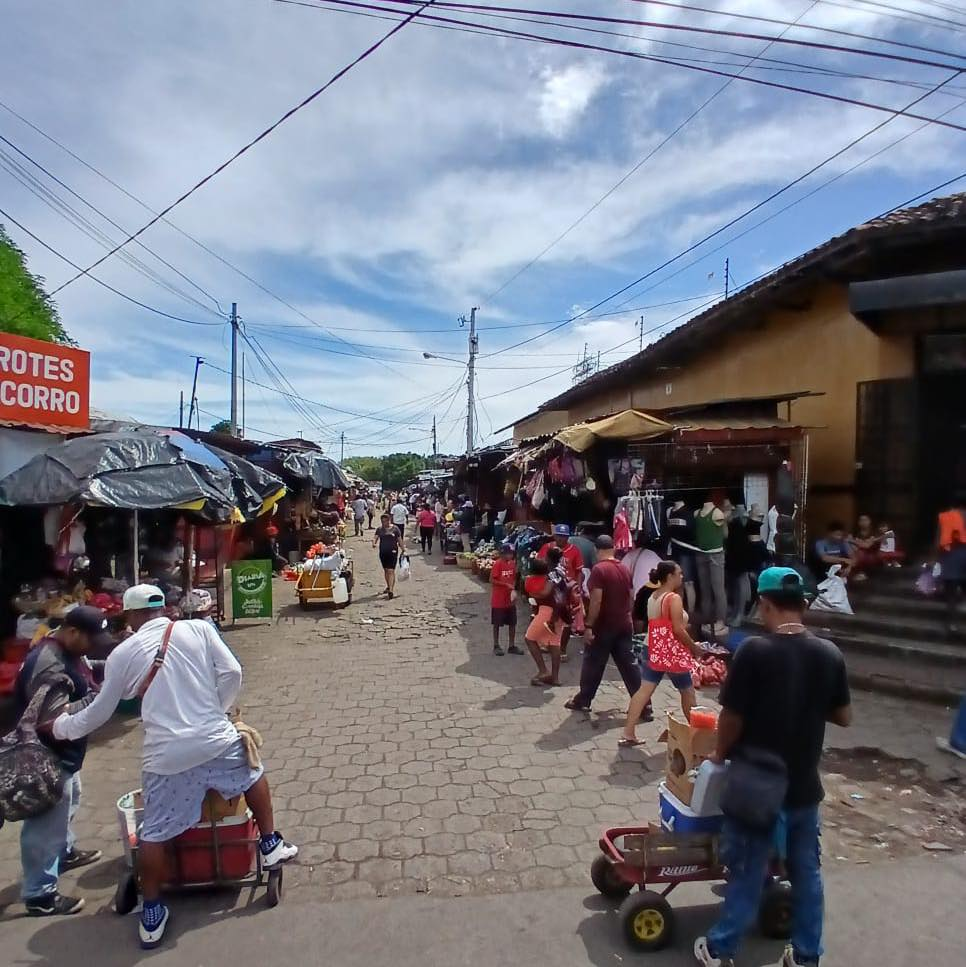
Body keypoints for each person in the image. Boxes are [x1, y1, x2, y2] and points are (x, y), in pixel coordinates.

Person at [51, 587, 297, 948]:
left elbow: (101, 710)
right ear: (163, 608)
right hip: (215, 740)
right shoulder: (199, 629)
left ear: (130, 615)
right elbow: (232, 672)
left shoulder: (123, 654)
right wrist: (218, 711)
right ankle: (270, 844)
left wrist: (62, 728)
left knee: (153, 832)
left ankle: (152, 912)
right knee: (252, 773)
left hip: (166, 758)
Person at [693, 567, 851, 967]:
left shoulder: (754, 652)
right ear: (803, 605)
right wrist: (805, 702)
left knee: (748, 872)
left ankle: (720, 950)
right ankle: (806, 956)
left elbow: (731, 717)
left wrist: (718, 754)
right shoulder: (829, 653)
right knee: (807, 875)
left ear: (764, 604)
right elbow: (844, 715)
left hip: (756, 787)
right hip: (803, 789)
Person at [15, 606, 112, 916]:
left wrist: (118, 665)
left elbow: (88, 668)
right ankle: (39, 894)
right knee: (44, 825)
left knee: (71, 800)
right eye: (91, 640)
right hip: (45, 757)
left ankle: (64, 851)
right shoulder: (50, 666)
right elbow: (51, 721)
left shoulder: (68, 650)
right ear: (72, 632)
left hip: (66, 754)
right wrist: (100, 698)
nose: (93, 647)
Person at [621, 561, 702, 747]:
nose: (682, 577)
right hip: (671, 651)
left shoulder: (653, 597)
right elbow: (678, 629)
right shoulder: (673, 599)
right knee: (687, 692)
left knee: (644, 691)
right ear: (670, 576)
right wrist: (693, 647)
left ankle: (628, 732)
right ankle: (698, 737)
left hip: (652, 647)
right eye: (679, 574)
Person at [564, 536, 642, 712]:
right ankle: (644, 705)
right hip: (624, 624)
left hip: (604, 626)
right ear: (613, 549)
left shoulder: (599, 570)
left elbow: (596, 600)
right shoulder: (624, 568)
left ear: (596, 550)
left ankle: (583, 700)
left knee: (593, 664)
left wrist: (589, 625)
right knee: (629, 666)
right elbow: (631, 597)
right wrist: (626, 615)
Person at [537, 525, 583, 660]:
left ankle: (562, 649)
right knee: (547, 616)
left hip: (567, 590)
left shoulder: (574, 550)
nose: (560, 538)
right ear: (554, 536)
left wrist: (578, 588)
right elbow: (539, 566)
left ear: (568, 537)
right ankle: (547, 643)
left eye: (563, 536)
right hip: (550, 588)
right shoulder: (547, 548)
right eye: (558, 535)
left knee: (566, 620)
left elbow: (579, 571)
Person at [523, 557, 562, 686]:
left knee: (529, 638)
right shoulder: (555, 576)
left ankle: (543, 671)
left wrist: (535, 595)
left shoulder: (531, 580)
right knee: (554, 643)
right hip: (559, 614)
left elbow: (541, 594)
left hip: (546, 612)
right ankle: (555, 678)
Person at [490, 543, 522, 656]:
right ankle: (496, 645)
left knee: (512, 623)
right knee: (497, 623)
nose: (511, 555)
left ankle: (511, 646)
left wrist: (513, 589)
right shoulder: (498, 564)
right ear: (503, 554)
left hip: (510, 599)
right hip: (498, 599)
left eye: (512, 553)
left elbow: (514, 578)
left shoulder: (512, 564)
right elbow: (492, 580)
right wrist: (505, 585)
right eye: (509, 553)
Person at [373, 512, 404, 599]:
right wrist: (374, 543)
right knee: (386, 570)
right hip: (383, 552)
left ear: (389, 520)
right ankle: (388, 586)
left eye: (385, 521)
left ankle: (391, 590)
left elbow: (399, 539)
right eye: (382, 521)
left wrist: (403, 549)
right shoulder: (380, 529)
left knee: (391, 570)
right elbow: (375, 537)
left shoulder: (395, 529)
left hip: (393, 551)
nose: (384, 523)